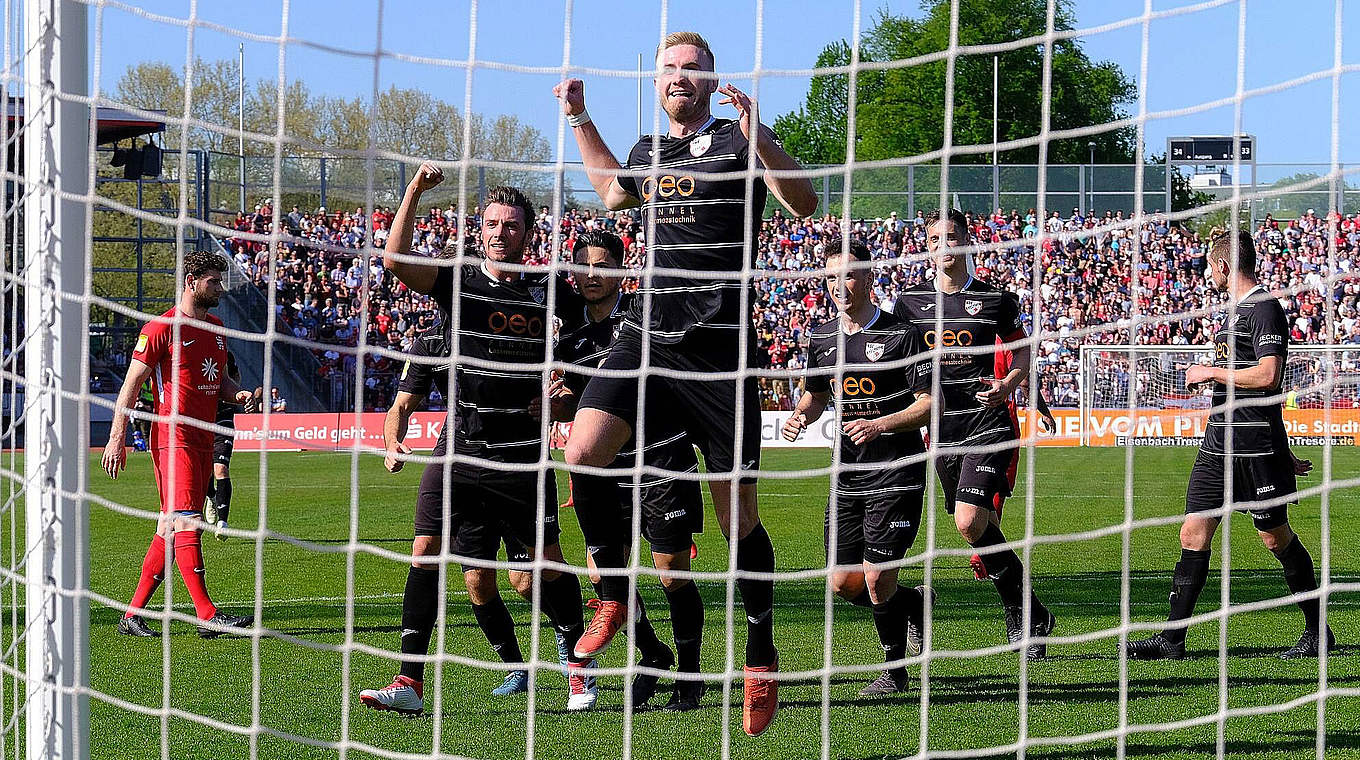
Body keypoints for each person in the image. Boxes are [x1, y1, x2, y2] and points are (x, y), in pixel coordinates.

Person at [553, 30, 818, 736]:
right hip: (647, 339)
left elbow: (805, 204)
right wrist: (580, 117)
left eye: (691, 68)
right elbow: (611, 192)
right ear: (658, 82)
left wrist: (762, 137)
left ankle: (760, 655)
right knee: (581, 451)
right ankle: (612, 591)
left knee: (740, 524)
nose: (678, 76)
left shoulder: (737, 143)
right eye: (669, 68)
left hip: (721, 356)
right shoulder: (650, 151)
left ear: (711, 80)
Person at [359, 170, 593, 716]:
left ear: (528, 235)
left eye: (511, 226)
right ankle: (410, 682)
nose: (499, 233)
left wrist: (567, 391)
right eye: (490, 224)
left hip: (522, 457)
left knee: (547, 566)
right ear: (477, 230)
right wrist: (414, 193)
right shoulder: (456, 280)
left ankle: (579, 669)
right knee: (424, 553)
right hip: (458, 450)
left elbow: (594, 338)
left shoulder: (549, 288)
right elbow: (394, 262)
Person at [1125, 230, 1333, 660]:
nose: (1206, 273)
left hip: (1255, 451)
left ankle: (1318, 631)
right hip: (1217, 445)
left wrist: (1212, 373)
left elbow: (1268, 377)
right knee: (1193, 532)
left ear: (1221, 266)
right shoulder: (1234, 313)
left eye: (1207, 265)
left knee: (1274, 539)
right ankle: (1172, 639)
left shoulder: (1263, 309)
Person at [379, 311, 572, 700]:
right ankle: (510, 670)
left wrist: (554, 403)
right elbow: (400, 406)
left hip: (518, 465)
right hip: (461, 464)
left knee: (528, 579)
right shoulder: (431, 342)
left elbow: (564, 388)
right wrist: (392, 442)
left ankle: (571, 645)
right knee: (473, 580)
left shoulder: (515, 328)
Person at [891, 208, 1056, 660]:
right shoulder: (909, 305)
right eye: (934, 237)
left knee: (969, 520)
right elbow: (896, 361)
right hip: (942, 430)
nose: (944, 244)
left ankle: (1021, 615)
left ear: (967, 241)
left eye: (951, 235)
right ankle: (1034, 612)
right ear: (927, 246)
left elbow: (1023, 350)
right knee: (977, 527)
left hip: (989, 423)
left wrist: (1009, 384)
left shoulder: (996, 300)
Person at [555, 230, 707, 710]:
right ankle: (652, 655)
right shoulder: (570, 339)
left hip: (661, 460)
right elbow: (580, 405)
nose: (593, 274)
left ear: (623, 271)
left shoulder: (644, 320)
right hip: (605, 475)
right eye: (584, 266)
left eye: (604, 265)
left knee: (671, 576)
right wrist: (554, 405)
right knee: (604, 575)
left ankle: (690, 674)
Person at [782, 238, 934, 695]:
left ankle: (894, 670)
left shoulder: (902, 335)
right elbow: (817, 394)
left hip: (898, 469)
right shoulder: (822, 336)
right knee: (844, 584)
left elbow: (930, 404)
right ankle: (912, 603)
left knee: (874, 576)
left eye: (848, 275)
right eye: (830, 277)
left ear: (868, 277)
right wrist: (800, 416)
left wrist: (881, 424)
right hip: (847, 473)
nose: (838, 285)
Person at [103, 249, 256, 639]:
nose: (219, 287)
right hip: (174, 437)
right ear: (191, 282)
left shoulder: (217, 328)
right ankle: (207, 616)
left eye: (220, 281)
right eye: (213, 281)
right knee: (187, 519)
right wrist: (117, 436)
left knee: (171, 526)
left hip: (204, 435)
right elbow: (131, 386)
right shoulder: (160, 328)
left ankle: (131, 614)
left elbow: (218, 382)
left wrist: (239, 397)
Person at [204, 351, 241, 540]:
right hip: (201, 418)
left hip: (223, 418)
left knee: (221, 469)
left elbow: (236, 378)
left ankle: (223, 523)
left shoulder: (226, 354)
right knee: (206, 471)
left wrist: (237, 394)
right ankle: (211, 496)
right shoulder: (195, 351)